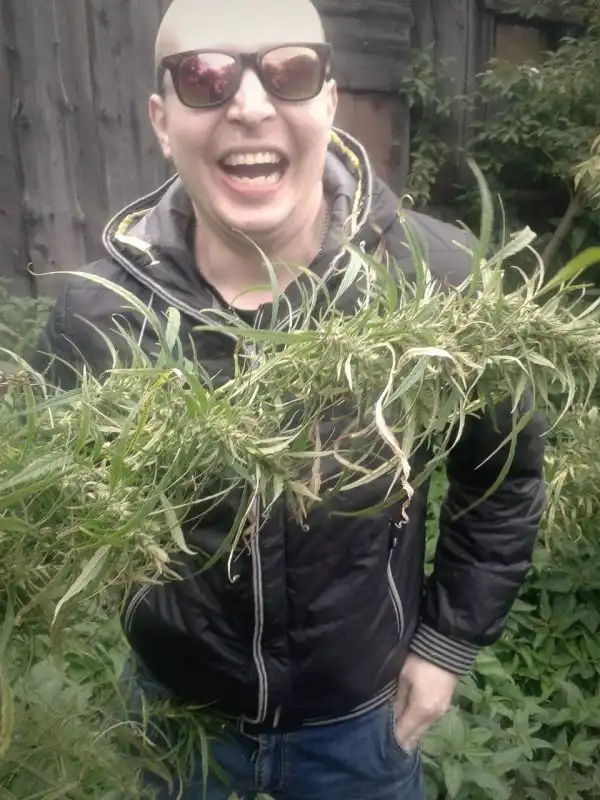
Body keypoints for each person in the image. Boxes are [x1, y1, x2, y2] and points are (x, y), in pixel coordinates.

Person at [30, 0, 546, 797]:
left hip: (359, 731)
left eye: (288, 71)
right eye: (204, 77)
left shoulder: (437, 282)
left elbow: (504, 474)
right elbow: (42, 505)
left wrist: (447, 645)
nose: (248, 103)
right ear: (162, 121)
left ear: (329, 101)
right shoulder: (100, 314)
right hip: (174, 727)